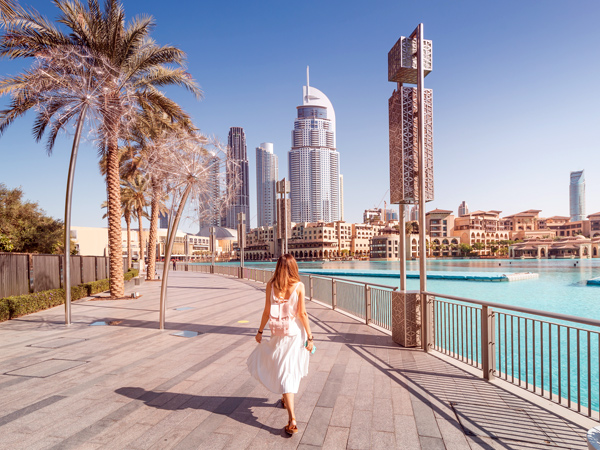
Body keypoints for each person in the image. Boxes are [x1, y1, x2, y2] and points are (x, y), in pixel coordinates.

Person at [247, 254, 314, 435]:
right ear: (293, 267)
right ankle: (292, 419)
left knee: (283, 369)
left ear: (278, 267)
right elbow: (302, 314)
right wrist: (310, 336)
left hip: (277, 334)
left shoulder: (271, 285)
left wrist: (260, 331)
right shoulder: (299, 286)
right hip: (294, 335)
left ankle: (286, 402)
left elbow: (266, 311)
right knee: (288, 371)